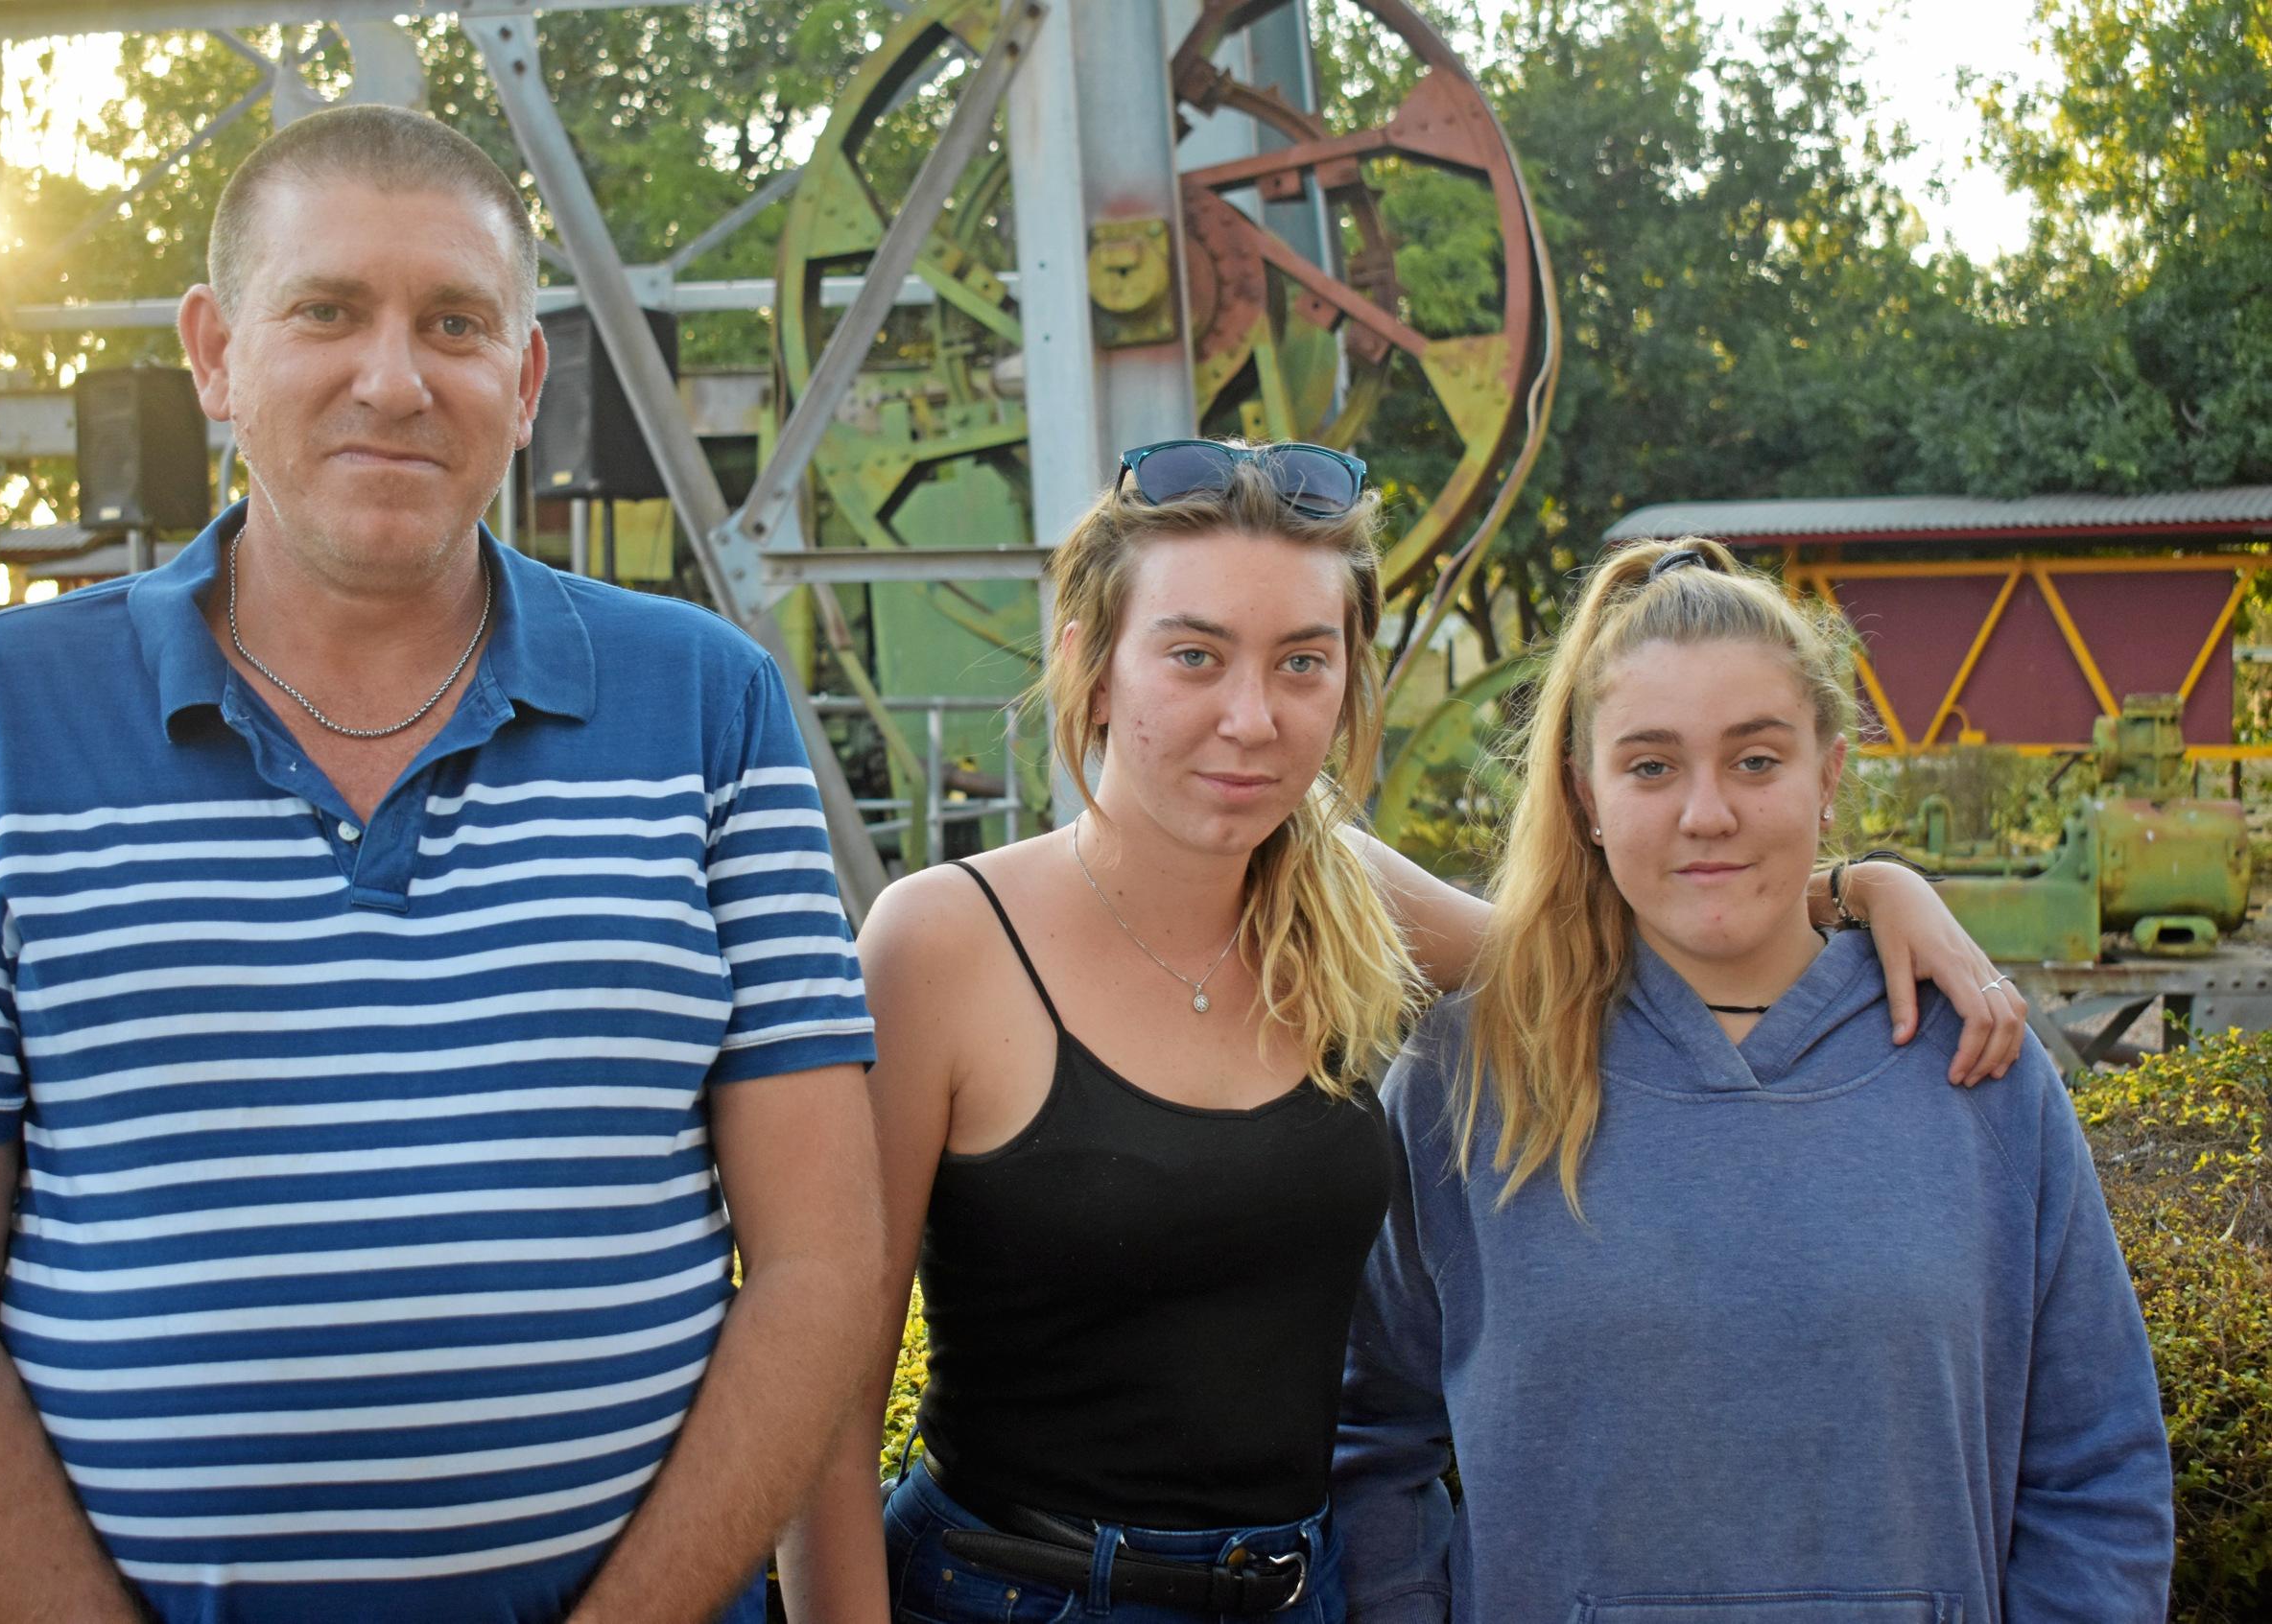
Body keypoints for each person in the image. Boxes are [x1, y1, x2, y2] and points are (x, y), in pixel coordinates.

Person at [0, 105, 883, 1624]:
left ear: (523, 382)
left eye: (454, 323)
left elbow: (820, 1260)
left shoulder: (707, 706)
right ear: (215, 352)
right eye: (326, 310)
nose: (392, 379)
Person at [779, 441, 2030, 1623]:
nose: (1252, 716)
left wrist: (1860, 890)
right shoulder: (940, 942)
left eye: (1301, 662)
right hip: (1016, 1588)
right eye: (1194, 656)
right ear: (1093, 666)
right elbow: (825, 1402)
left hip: (1300, 1588)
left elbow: (1619, 952)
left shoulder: (1344, 898)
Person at [1334, 539, 2174, 1623]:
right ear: (1586, 795)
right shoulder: (1469, 1078)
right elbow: (1364, 1439)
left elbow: (2096, 1469)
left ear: (1828, 774)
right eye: (1650, 766)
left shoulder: (1977, 1067)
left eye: (1755, 760)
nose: (1707, 812)